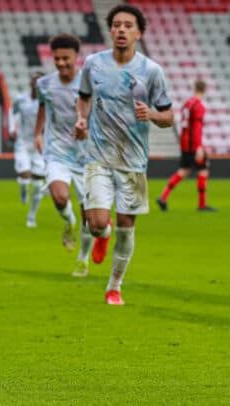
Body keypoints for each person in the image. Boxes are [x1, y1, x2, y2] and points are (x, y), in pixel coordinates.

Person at [75, 4, 173, 305]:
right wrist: (81, 119)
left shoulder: (151, 71)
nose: (121, 29)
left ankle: (114, 286)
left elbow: (168, 116)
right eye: (116, 24)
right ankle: (100, 234)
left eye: (128, 25)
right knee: (97, 222)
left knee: (127, 228)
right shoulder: (93, 64)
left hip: (132, 160)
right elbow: (83, 98)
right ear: (110, 30)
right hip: (99, 156)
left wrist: (152, 114)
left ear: (138, 33)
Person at [34, 34, 96, 278]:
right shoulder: (45, 84)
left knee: (89, 216)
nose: (61, 63)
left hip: (86, 155)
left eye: (66, 58)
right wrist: (37, 133)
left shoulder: (89, 84)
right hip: (57, 152)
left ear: (76, 58)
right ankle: (68, 221)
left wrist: (87, 130)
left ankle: (83, 258)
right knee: (60, 197)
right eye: (57, 58)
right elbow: (42, 107)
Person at [157, 80, 217, 212]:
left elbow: (184, 125)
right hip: (193, 145)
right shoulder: (199, 106)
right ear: (204, 90)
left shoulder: (187, 104)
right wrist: (199, 147)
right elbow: (196, 128)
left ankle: (163, 197)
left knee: (183, 171)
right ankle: (202, 205)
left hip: (185, 143)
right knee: (203, 169)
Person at [8, 71, 47, 228]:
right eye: (34, 81)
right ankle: (23, 188)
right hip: (23, 143)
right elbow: (12, 112)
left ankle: (32, 216)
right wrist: (12, 128)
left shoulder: (47, 102)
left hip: (39, 144)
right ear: (30, 83)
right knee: (24, 175)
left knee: (38, 184)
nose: (37, 84)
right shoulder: (21, 99)